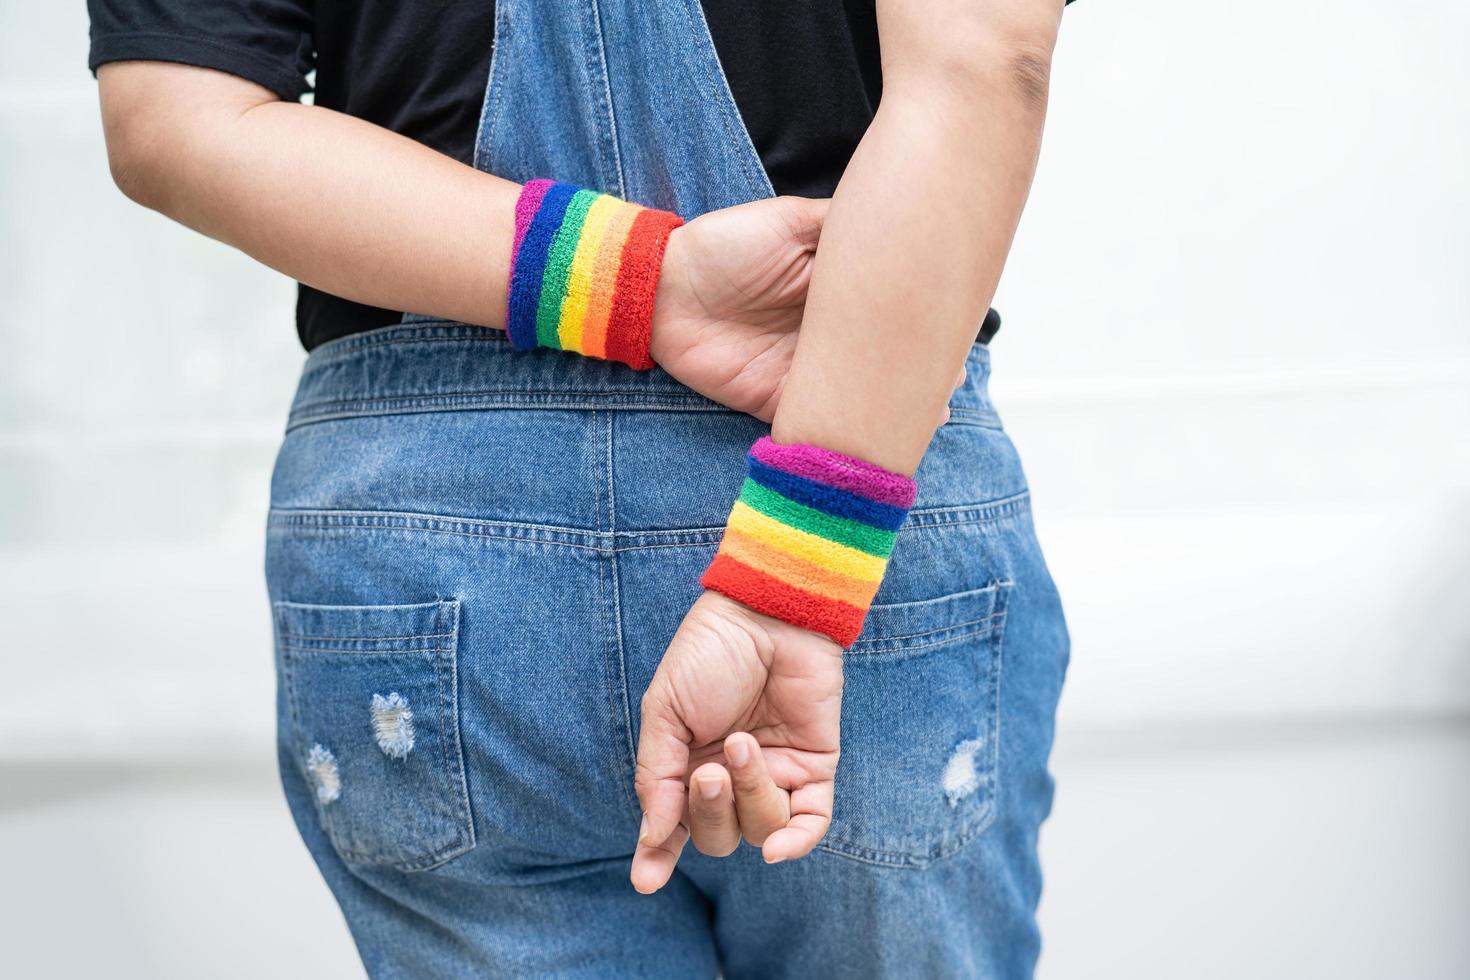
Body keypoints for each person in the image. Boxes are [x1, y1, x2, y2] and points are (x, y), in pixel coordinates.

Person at [89, 0, 1072, 975]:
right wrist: (793, 572)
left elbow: (174, 115)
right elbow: (981, 60)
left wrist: (641, 282)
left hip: (431, 552)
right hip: (845, 486)